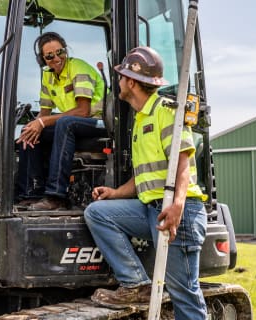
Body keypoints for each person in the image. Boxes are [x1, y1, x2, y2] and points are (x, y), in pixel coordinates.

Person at [84, 47, 208, 319]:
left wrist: (177, 205)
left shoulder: (166, 111)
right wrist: (115, 193)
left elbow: (183, 165)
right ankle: (137, 284)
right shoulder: (140, 119)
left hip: (180, 213)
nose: (117, 82)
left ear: (131, 81)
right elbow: (145, 177)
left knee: (183, 293)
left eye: (120, 77)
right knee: (97, 213)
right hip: (151, 210)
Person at [15, 32, 106, 210]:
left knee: (64, 124)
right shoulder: (47, 77)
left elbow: (83, 111)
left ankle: (56, 196)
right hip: (74, 123)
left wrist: (43, 122)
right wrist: (34, 126)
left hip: (97, 122)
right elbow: (44, 113)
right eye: (49, 56)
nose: (56, 58)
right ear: (42, 59)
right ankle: (31, 193)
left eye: (60, 52)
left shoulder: (79, 69)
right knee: (30, 131)